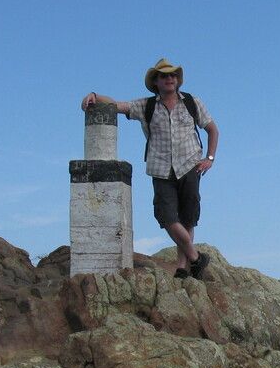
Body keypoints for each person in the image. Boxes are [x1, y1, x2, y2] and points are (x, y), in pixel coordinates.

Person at [80, 58, 219, 279]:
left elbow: (212, 129)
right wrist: (95, 96)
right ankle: (196, 258)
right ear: (156, 81)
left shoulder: (193, 102)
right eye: (164, 76)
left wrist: (210, 158)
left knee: (188, 218)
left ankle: (183, 269)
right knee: (167, 217)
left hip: (190, 165)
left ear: (178, 80)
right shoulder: (148, 106)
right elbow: (117, 105)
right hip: (161, 168)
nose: (169, 79)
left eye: (173, 75)